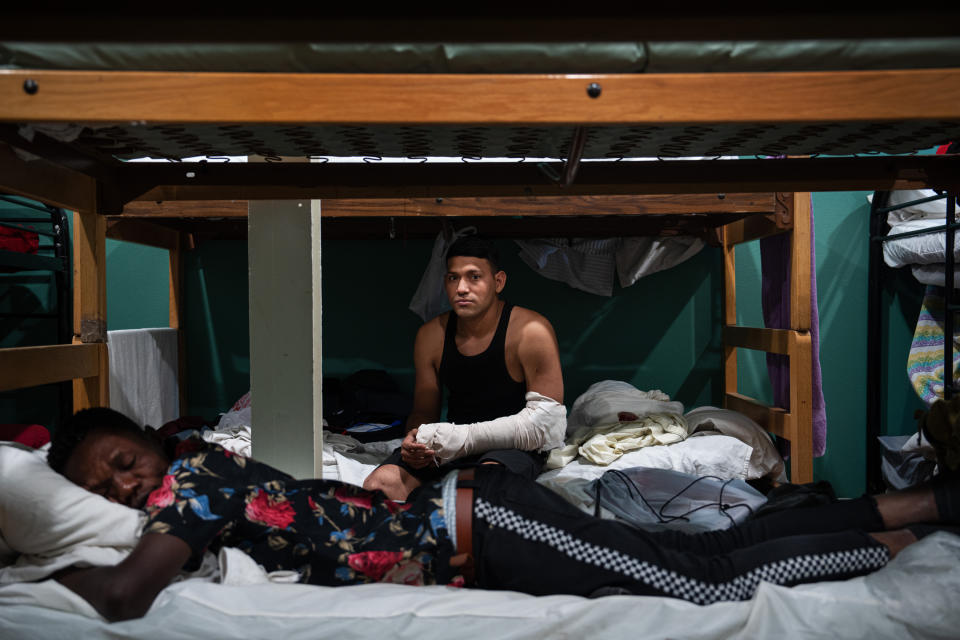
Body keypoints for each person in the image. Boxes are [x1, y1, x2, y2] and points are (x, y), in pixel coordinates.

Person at [48, 407, 960, 622]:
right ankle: (924, 501)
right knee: (715, 542)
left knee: (708, 583)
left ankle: (902, 541)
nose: (125, 490)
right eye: (101, 490)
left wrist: (52, 569)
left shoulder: (194, 485)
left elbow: (129, 592)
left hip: (487, 525)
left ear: (154, 447)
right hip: (481, 511)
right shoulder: (208, 469)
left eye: (124, 464)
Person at [363, 235, 566, 500]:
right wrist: (416, 439)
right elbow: (424, 410)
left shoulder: (531, 331)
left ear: (498, 282)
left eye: (474, 277)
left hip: (514, 446)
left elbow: (547, 425)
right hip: (450, 445)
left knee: (480, 490)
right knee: (379, 485)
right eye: (452, 278)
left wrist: (461, 438)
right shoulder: (430, 336)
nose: (461, 288)